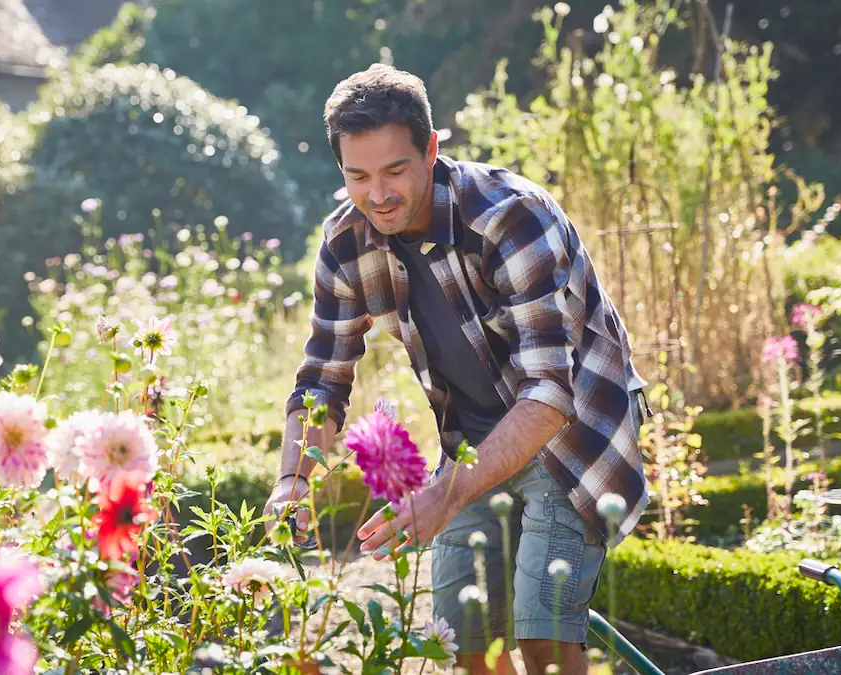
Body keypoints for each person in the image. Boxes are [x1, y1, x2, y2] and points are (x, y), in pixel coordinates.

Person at [263, 63, 651, 675]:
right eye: (358, 176)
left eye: (395, 170)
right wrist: (294, 478)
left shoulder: (509, 218)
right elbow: (322, 380)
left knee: (542, 635)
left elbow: (549, 394)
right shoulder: (345, 244)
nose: (378, 194)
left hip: (571, 433)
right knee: (461, 639)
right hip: (473, 446)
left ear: (432, 149)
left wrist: (443, 495)